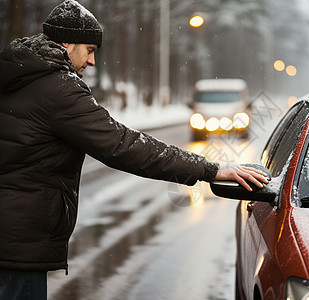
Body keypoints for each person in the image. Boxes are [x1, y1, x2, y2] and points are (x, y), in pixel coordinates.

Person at [0, 1, 268, 299]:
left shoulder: (16, 75)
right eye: (89, 50)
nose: (91, 62)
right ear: (66, 42)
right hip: (17, 242)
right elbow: (124, 145)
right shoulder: (57, 88)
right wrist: (211, 169)